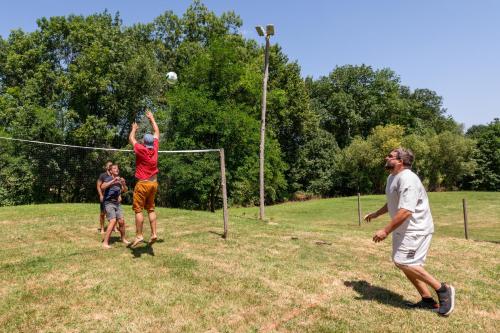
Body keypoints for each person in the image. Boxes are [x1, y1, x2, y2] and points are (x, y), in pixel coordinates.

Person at [364, 148, 455, 316]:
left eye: (390, 156)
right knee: (406, 264)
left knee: (404, 262)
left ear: (400, 161)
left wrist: (385, 230)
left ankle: (443, 289)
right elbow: (392, 203)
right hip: (403, 229)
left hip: (416, 229)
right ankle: (427, 300)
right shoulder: (392, 177)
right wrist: (376, 214)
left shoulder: (408, 179)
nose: (387, 157)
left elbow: (406, 210)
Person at [128, 110, 160, 247]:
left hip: (143, 184)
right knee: (151, 209)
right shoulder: (155, 148)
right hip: (154, 184)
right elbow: (157, 131)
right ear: (152, 142)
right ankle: (153, 233)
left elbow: (131, 139)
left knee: (138, 210)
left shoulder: (141, 149)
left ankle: (139, 235)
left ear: (144, 142)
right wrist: (151, 118)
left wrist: (134, 129)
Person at [100, 164, 130, 249]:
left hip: (117, 203)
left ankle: (123, 238)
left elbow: (125, 190)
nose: (116, 169)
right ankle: (105, 243)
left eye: (117, 168)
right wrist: (113, 180)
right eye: (114, 168)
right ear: (111, 171)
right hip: (108, 203)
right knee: (113, 221)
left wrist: (123, 184)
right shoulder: (108, 178)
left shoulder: (120, 180)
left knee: (121, 221)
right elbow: (102, 187)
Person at [97, 161, 113, 234]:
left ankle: (114, 228)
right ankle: (102, 228)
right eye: (109, 165)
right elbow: (98, 186)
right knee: (102, 213)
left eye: (111, 165)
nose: (110, 166)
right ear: (106, 167)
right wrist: (101, 195)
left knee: (113, 213)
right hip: (104, 197)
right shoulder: (102, 175)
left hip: (112, 198)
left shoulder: (114, 175)